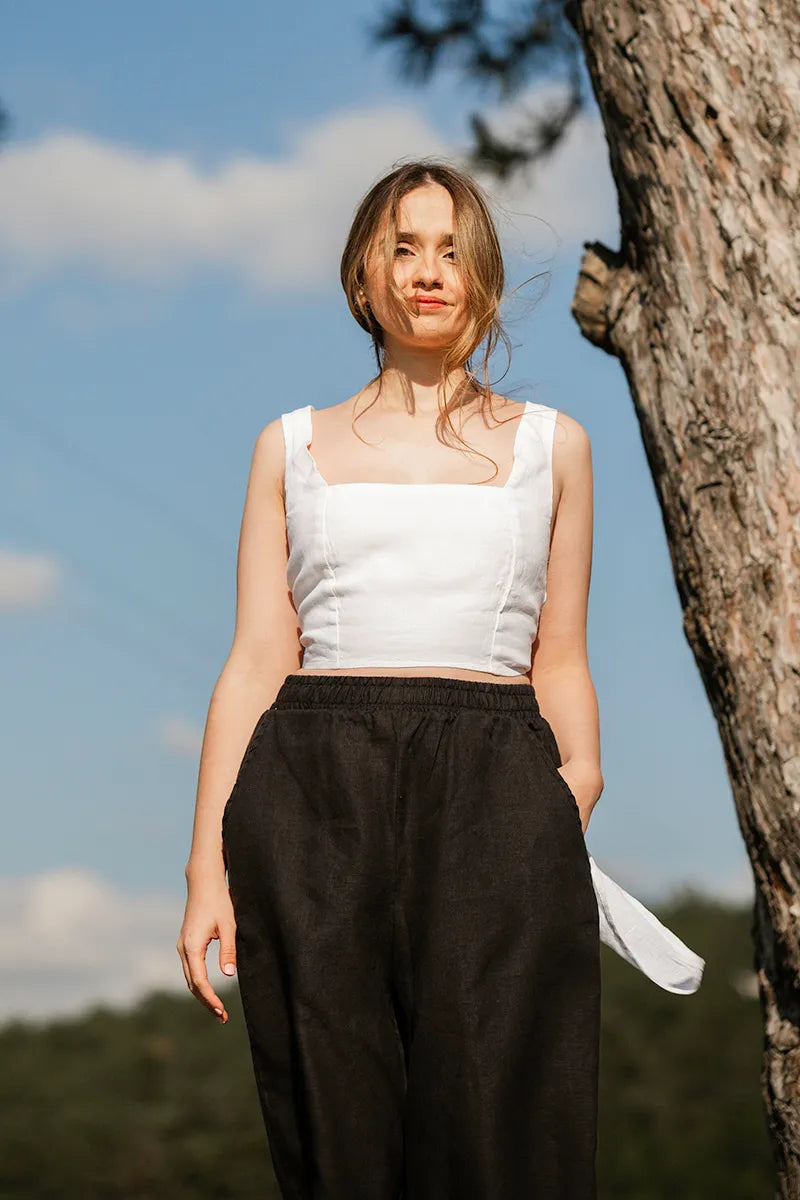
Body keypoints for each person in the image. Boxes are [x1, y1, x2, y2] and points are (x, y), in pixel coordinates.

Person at [177, 158, 704, 1199]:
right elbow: (254, 659)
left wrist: (572, 787)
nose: (428, 271)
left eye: (452, 249)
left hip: (498, 781)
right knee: (335, 1125)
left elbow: (558, 654)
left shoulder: (554, 446)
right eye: (402, 248)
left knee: (506, 1123)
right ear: (360, 278)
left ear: (485, 281)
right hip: (311, 784)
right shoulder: (288, 446)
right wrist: (206, 871)